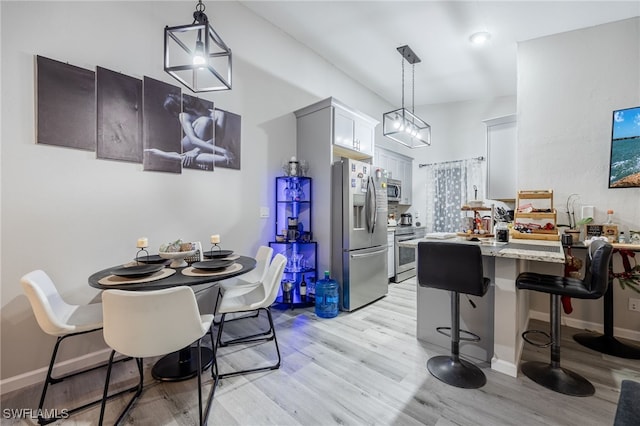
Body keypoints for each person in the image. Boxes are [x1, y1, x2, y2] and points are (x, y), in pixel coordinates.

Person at [144, 94, 233, 170]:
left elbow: (218, 138)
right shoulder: (184, 115)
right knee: (205, 121)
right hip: (190, 143)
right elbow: (193, 139)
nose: (196, 107)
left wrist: (196, 152)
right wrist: (195, 150)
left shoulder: (220, 114)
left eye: (196, 103)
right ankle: (197, 155)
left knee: (225, 159)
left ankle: (176, 157)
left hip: (209, 144)